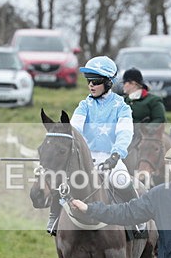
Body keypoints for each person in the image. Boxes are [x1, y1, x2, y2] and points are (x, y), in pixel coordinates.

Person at [45, 55, 140, 235]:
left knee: (122, 180)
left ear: (108, 83)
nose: (91, 85)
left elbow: (125, 132)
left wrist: (116, 155)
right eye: (89, 81)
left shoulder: (122, 107)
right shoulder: (84, 106)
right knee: (62, 180)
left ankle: (136, 218)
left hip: (111, 157)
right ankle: (54, 216)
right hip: (85, 157)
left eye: (96, 81)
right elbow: (75, 129)